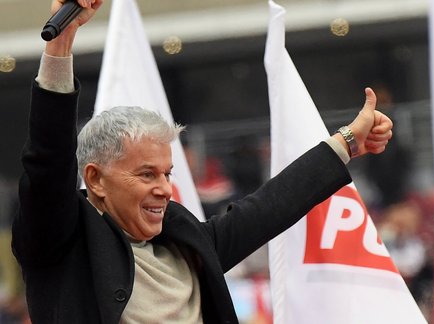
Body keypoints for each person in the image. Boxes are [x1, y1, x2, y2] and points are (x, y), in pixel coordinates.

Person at [11, 0, 393, 323]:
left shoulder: (187, 239)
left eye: (166, 173)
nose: (163, 187)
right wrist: (61, 44)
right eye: (147, 174)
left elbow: (273, 205)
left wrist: (346, 142)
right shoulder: (61, 241)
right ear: (94, 179)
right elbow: (47, 163)